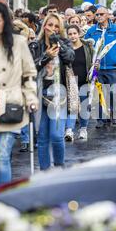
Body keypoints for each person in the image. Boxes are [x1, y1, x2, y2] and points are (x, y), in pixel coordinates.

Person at [0, 2, 38, 188]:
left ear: (5, 21)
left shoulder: (19, 43)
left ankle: (2, 198)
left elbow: (29, 73)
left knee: (1, 157)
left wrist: (31, 98)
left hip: (12, 105)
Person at [29, 13, 75, 170]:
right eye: (50, 25)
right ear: (44, 26)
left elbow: (70, 58)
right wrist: (45, 57)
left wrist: (59, 45)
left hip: (59, 93)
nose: (52, 29)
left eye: (56, 26)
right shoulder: (36, 45)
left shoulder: (64, 42)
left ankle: (60, 168)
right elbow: (30, 69)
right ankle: (45, 172)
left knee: (56, 135)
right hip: (40, 92)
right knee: (42, 137)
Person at [84, 6, 116, 128]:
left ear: (108, 15)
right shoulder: (91, 31)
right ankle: (101, 119)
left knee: (114, 92)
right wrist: (89, 67)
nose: (98, 17)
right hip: (97, 69)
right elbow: (86, 50)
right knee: (99, 93)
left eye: (101, 14)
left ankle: (114, 116)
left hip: (113, 67)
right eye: (97, 15)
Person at [64, 25, 93, 141]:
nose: (72, 36)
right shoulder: (66, 48)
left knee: (84, 106)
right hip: (71, 81)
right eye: (70, 34)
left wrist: (95, 68)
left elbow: (93, 61)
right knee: (73, 107)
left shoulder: (87, 46)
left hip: (85, 80)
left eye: (74, 33)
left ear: (79, 33)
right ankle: (69, 131)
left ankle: (83, 129)